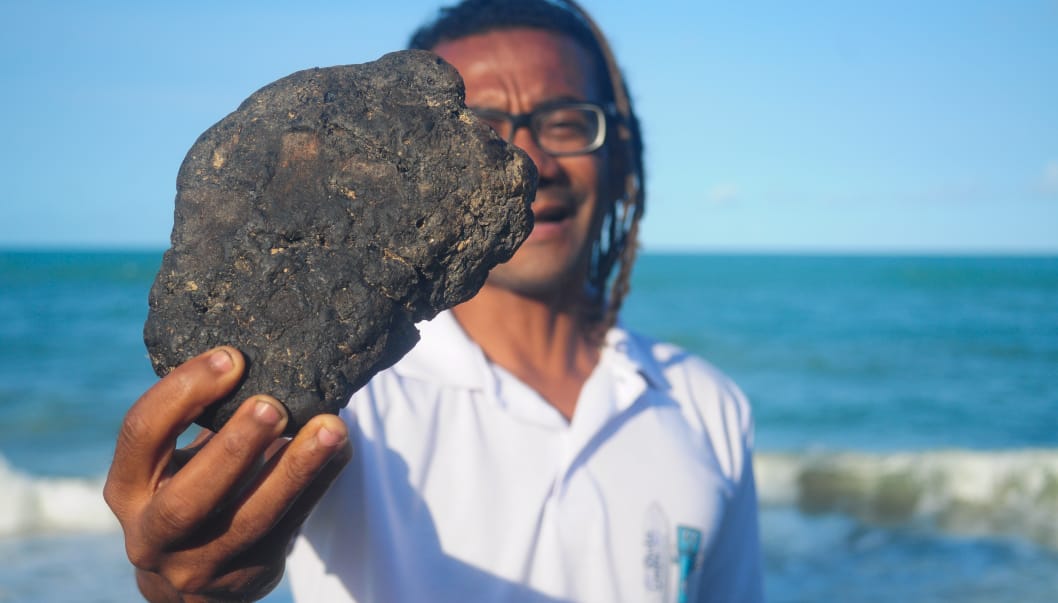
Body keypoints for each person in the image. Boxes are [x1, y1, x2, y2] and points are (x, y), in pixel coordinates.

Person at [104, 1, 764, 601]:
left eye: (567, 121)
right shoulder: (351, 408)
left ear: (622, 155)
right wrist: (183, 583)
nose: (531, 158)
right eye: (480, 126)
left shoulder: (707, 406)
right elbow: (204, 556)